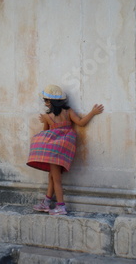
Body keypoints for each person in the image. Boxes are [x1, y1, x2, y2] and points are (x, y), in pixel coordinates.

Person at [27, 84, 104, 215]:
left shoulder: (47, 117)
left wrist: (44, 122)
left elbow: (45, 133)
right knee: (52, 175)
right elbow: (80, 123)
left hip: (52, 149)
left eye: (45, 100)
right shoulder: (68, 112)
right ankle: (46, 202)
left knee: (56, 179)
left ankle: (61, 206)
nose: (45, 103)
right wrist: (92, 112)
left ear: (50, 101)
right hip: (63, 148)